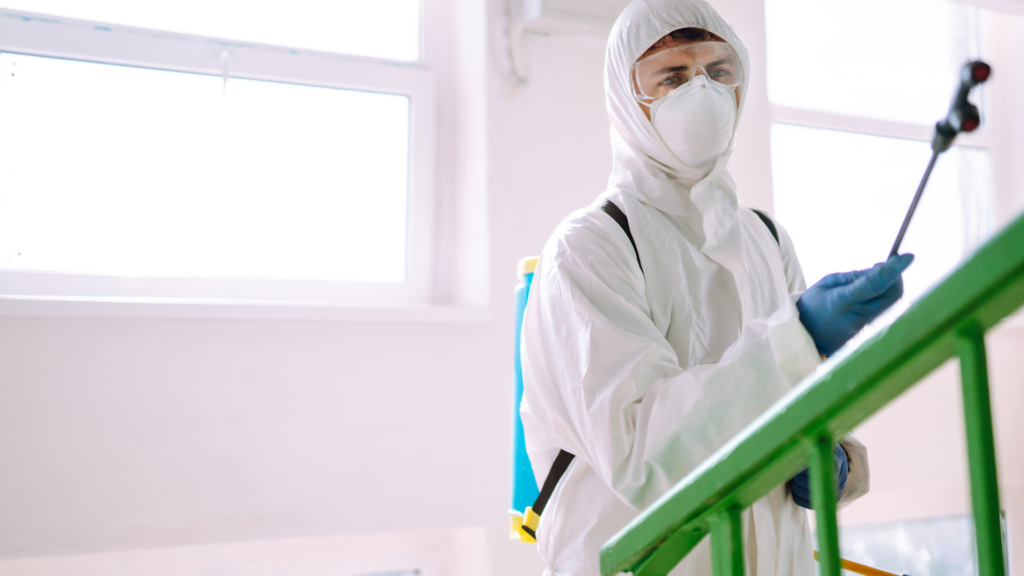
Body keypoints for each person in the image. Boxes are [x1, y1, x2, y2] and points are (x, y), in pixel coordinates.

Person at [519, 1, 914, 575]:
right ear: (628, 100)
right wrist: (797, 336)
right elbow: (643, 451)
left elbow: (819, 406)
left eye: (718, 71)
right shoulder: (590, 246)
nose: (700, 91)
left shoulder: (766, 238)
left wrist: (839, 464)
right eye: (673, 76)